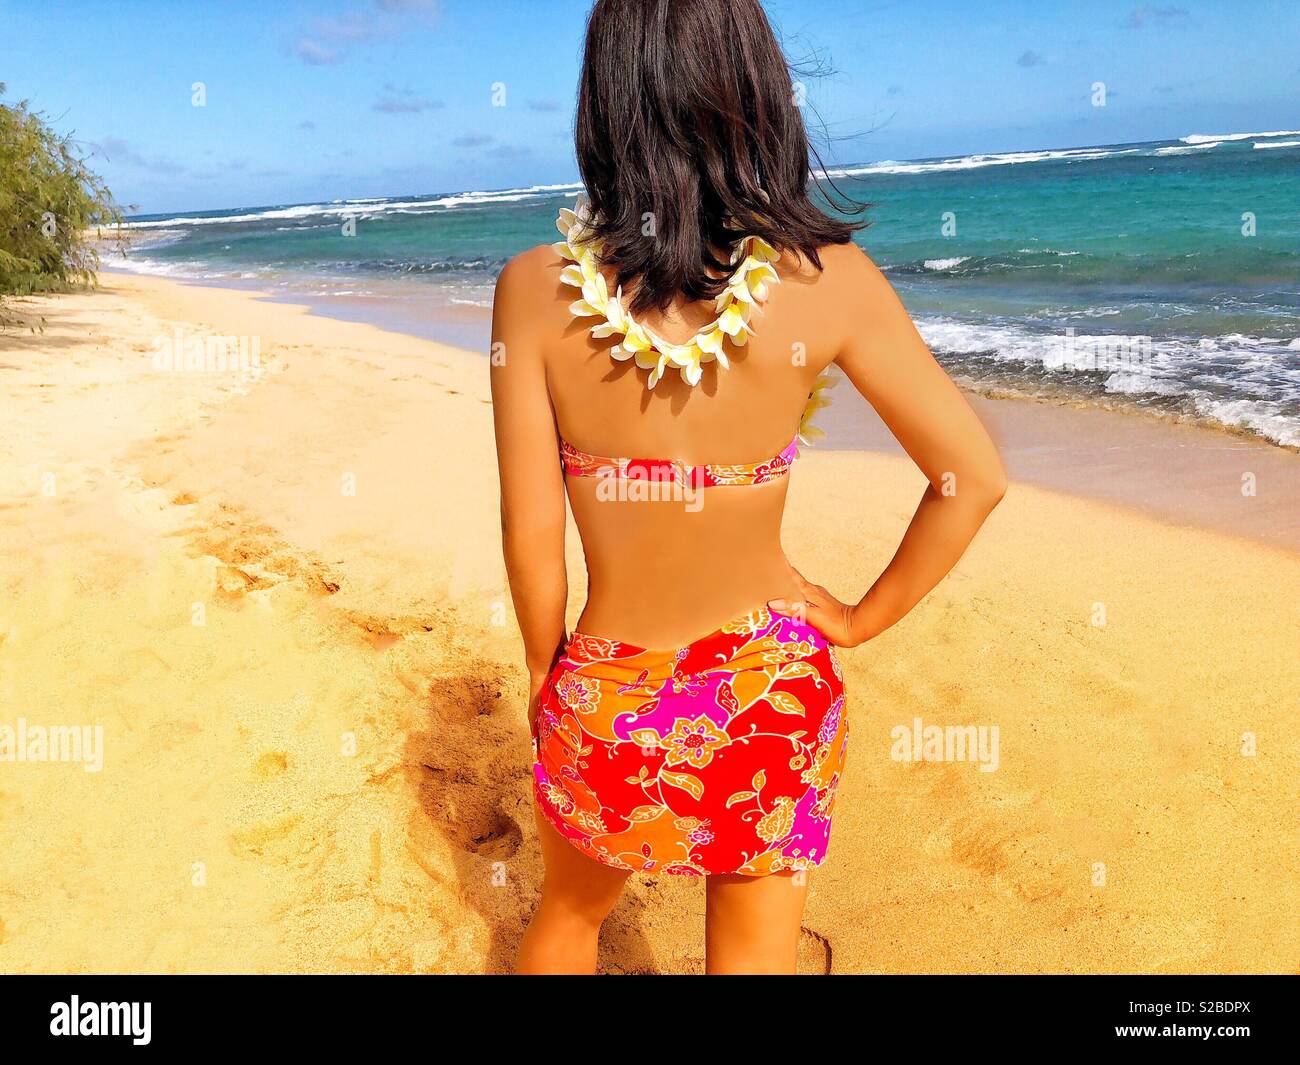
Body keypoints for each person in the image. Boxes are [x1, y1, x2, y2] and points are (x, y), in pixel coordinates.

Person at [491, 0, 1006, 976]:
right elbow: (971, 477)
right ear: (755, 94)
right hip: (769, 687)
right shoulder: (830, 280)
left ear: (607, 105)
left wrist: (541, 674)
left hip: (606, 686)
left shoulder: (531, 289)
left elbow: (529, 529)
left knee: (567, 918)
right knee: (755, 953)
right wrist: (856, 618)